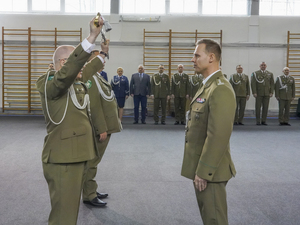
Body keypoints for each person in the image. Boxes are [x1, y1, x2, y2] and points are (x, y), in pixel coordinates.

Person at [36, 17, 107, 224]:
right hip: (63, 159)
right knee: (64, 217)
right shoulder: (50, 82)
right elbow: (64, 77)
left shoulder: (77, 83)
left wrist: (102, 53)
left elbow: (90, 69)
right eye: (79, 63)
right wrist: (90, 37)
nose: (83, 66)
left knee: (70, 213)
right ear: (64, 63)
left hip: (78, 155)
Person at [181, 39, 236, 225]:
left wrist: (204, 171)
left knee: (214, 219)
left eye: (197, 55)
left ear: (211, 57)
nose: (192, 59)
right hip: (204, 167)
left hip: (210, 171)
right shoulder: (208, 85)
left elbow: (218, 136)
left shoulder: (220, 89)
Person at [81, 48, 122, 207]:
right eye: (99, 59)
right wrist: (101, 128)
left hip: (106, 125)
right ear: (91, 61)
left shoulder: (98, 76)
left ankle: (91, 188)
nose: (103, 62)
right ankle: (89, 194)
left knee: (94, 161)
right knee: (92, 161)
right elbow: (95, 106)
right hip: (100, 127)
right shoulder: (90, 77)